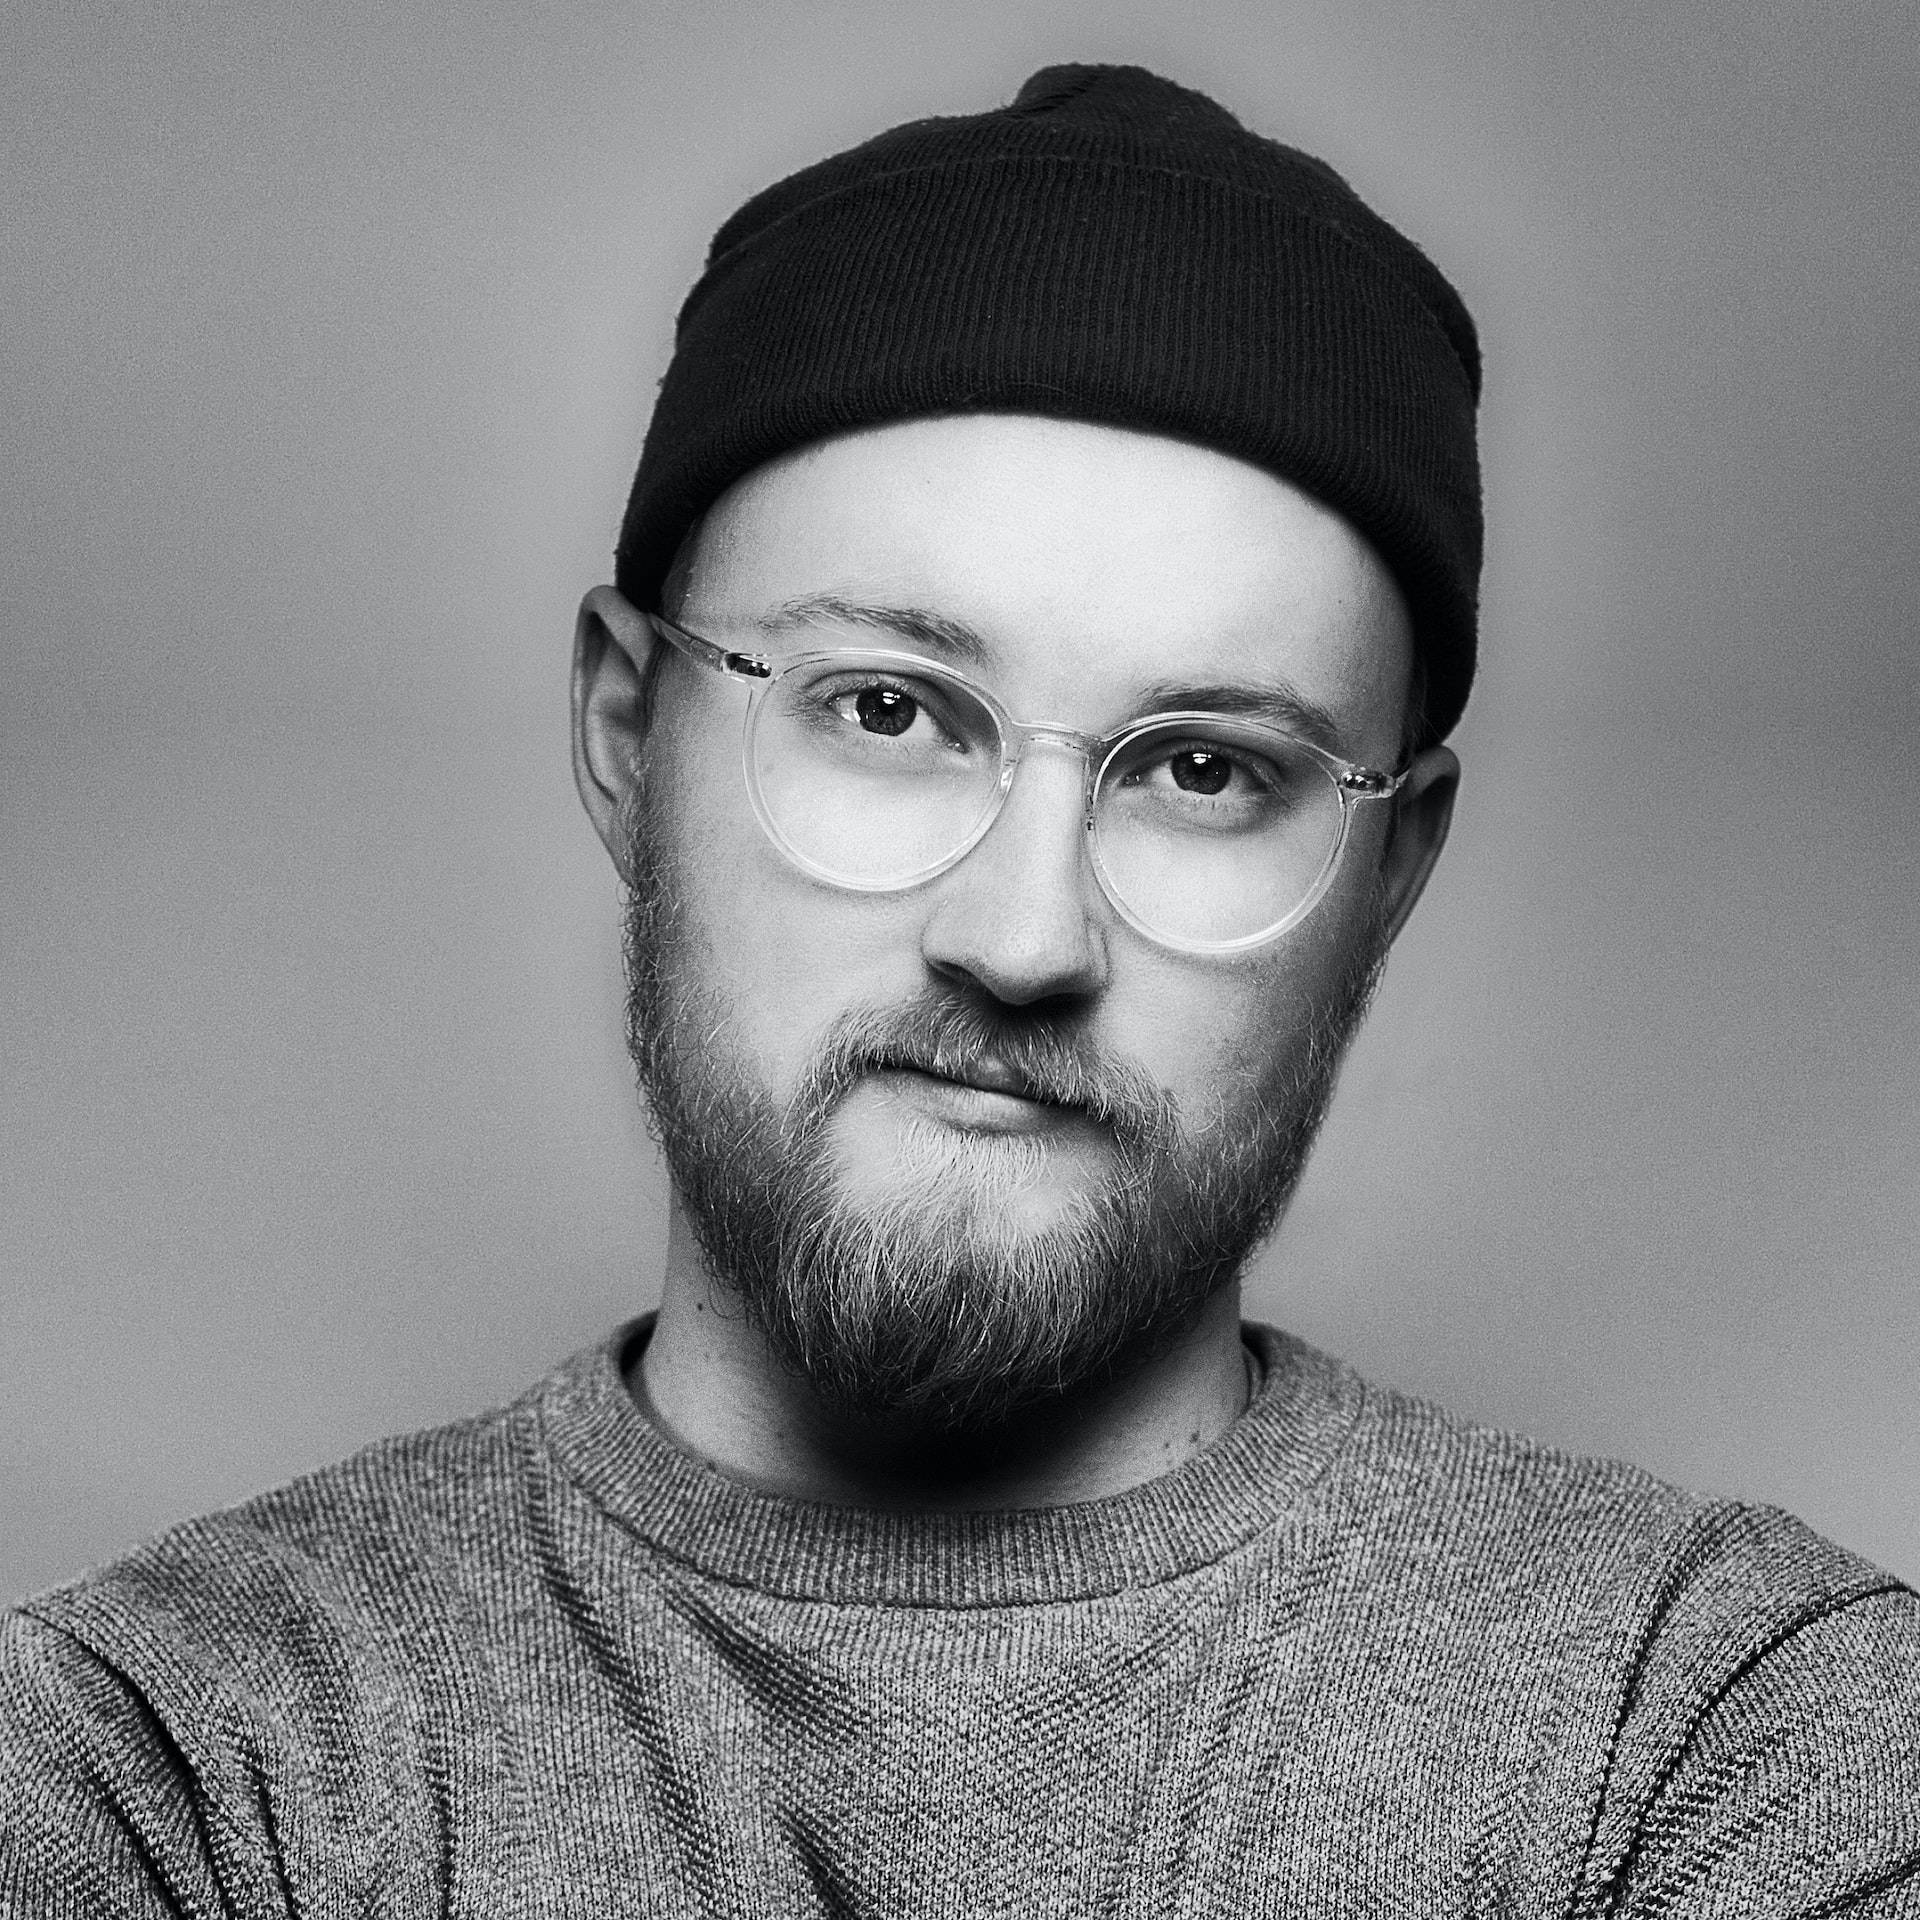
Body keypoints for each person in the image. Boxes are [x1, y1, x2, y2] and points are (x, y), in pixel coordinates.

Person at [2, 62, 1914, 1915]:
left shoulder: (1715, 1745)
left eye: (1203, 768)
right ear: (622, 730)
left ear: (1393, 872)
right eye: (892, 711)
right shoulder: (178, 1769)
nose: (1023, 936)